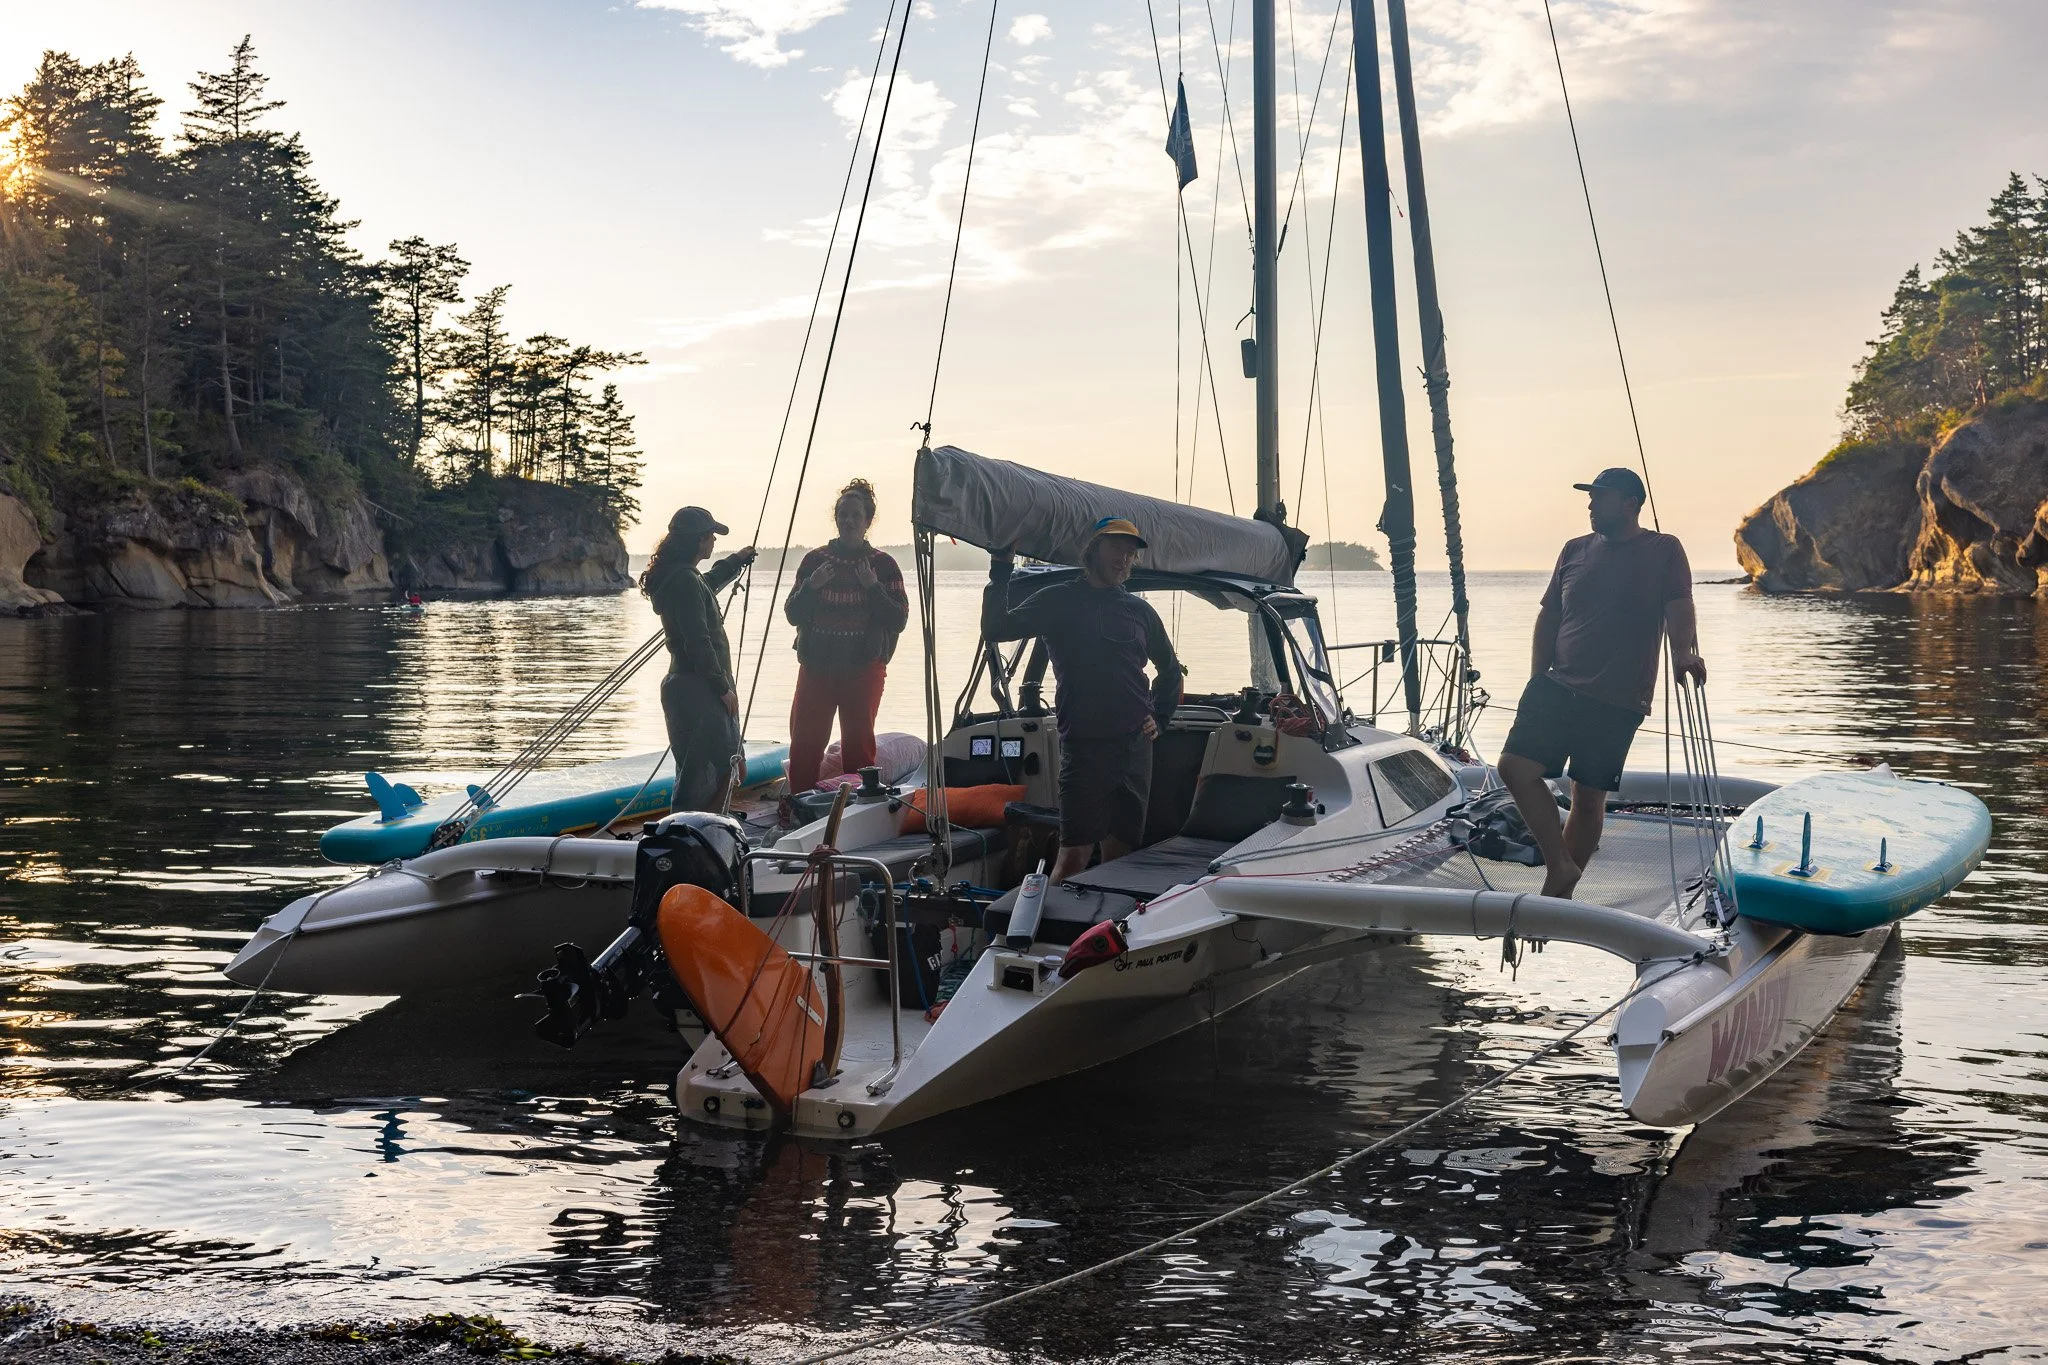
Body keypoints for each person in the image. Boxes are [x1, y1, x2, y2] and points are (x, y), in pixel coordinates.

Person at [1498, 467, 1706, 898]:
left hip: (1618, 696)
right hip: (1557, 684)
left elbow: (1679, 604)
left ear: (1630, 503)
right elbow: (1550, 614)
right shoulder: (1574, 549)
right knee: (1514, 768)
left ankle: (1556, 895)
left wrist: (1682, 652)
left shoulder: (1663, 549)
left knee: (1588, 797)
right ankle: (1561, 865)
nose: (1591, 505)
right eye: (1590, 497)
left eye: (1601, 497)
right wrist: (1537, 677)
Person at [982, 516, 1183, 883]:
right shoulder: (1059, 599)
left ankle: (1105, 933)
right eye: (1115, 548)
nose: (1123, 559)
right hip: (1085, 747)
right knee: (1073, 856)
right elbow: (996, 628)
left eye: (1129, 553)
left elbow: (1170, 672)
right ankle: (1051, 934)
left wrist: (1161, 716)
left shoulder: (1140, 611)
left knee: (1120, 856)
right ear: (1093, 549)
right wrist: (1000, 569)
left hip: (1136, 747)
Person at [782, 479, 910, 797]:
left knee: (858, 743)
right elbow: (792, 614)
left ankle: (855, 809)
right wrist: (811, 586)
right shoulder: (815, 561)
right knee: (805, 743)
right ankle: (800, 805)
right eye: (843, 515)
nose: (849, 521)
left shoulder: (883, 565)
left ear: (868, 521)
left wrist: (872, 587)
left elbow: (899, 619)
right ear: (836, 519)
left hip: (863, 667)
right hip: (817, 666)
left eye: (856, 515)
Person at [642, 506, 756, 812]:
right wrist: (722, 687)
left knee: (696, 774)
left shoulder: (681, 577)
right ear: (698, 540)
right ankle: (701, 830)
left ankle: (692, 828)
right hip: (701, 689)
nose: (714, 542)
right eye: (711, 536)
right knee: (730, 769)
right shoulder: (685, 581)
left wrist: (735, 561)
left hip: (683, 686)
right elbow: (698, 642)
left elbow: (709, 580)